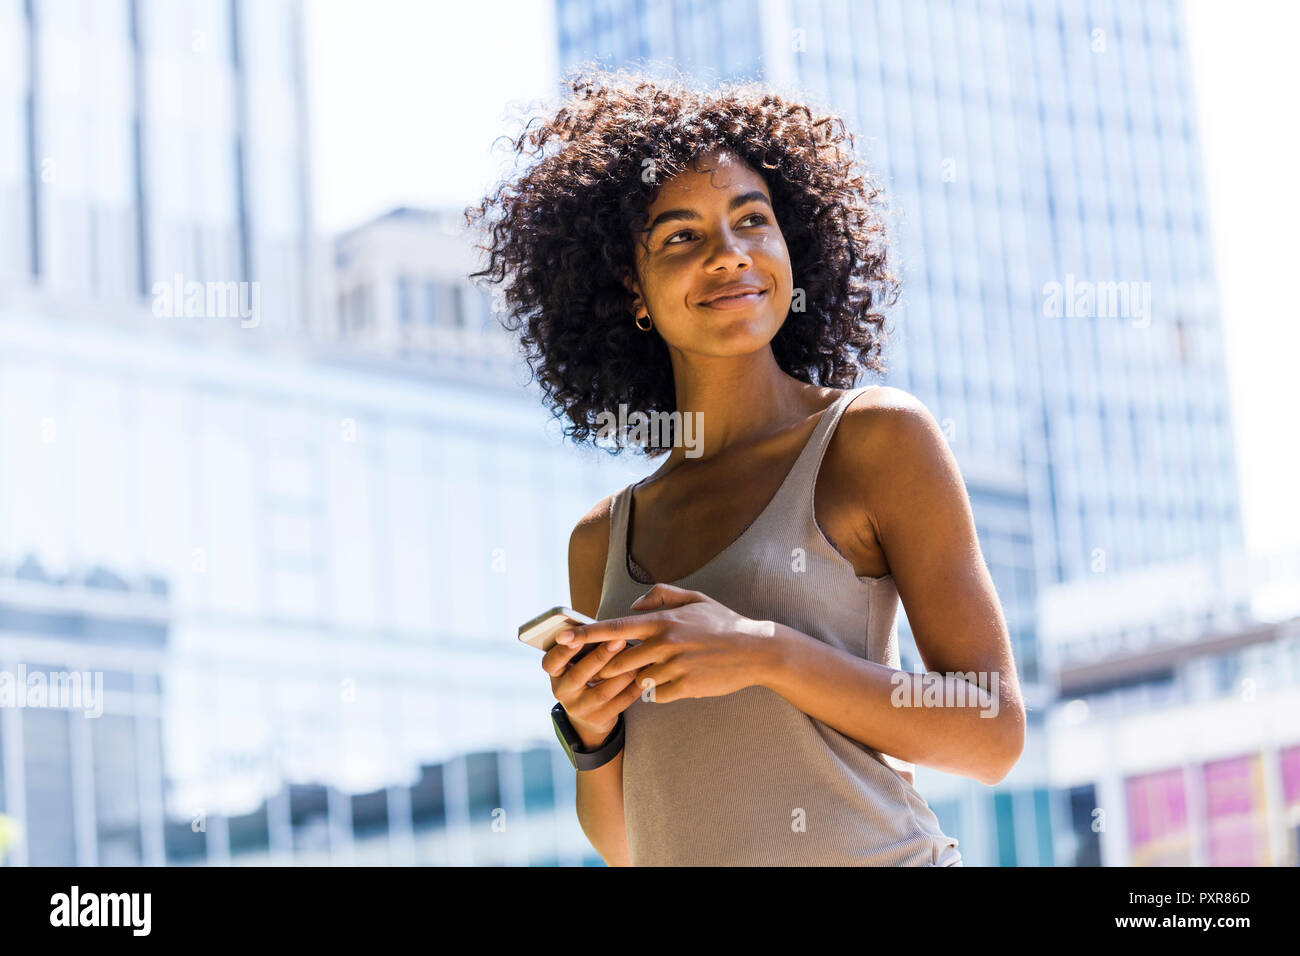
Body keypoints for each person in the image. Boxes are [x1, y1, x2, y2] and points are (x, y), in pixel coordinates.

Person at [467, 67, 1025, 866]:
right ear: (632, 286)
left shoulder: (873, 440)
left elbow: (993, 733)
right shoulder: (604, 539)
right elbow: (630, 842)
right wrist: (590, 731)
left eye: (752, 221)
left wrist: (761, 650)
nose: (731, 256)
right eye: (682, 236)